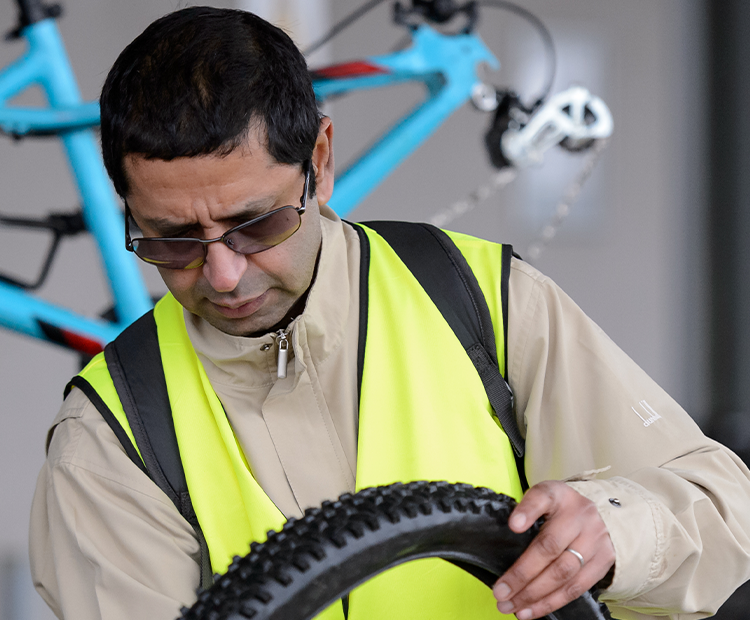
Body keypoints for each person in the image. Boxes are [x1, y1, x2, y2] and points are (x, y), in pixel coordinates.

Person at [29, 6, 750, 620]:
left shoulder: (483, 302)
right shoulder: (111, 435)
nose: (221, 273)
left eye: (256, 224)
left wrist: (618, 531)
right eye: (172, 239)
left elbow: (722, 505)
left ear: (321, 159)